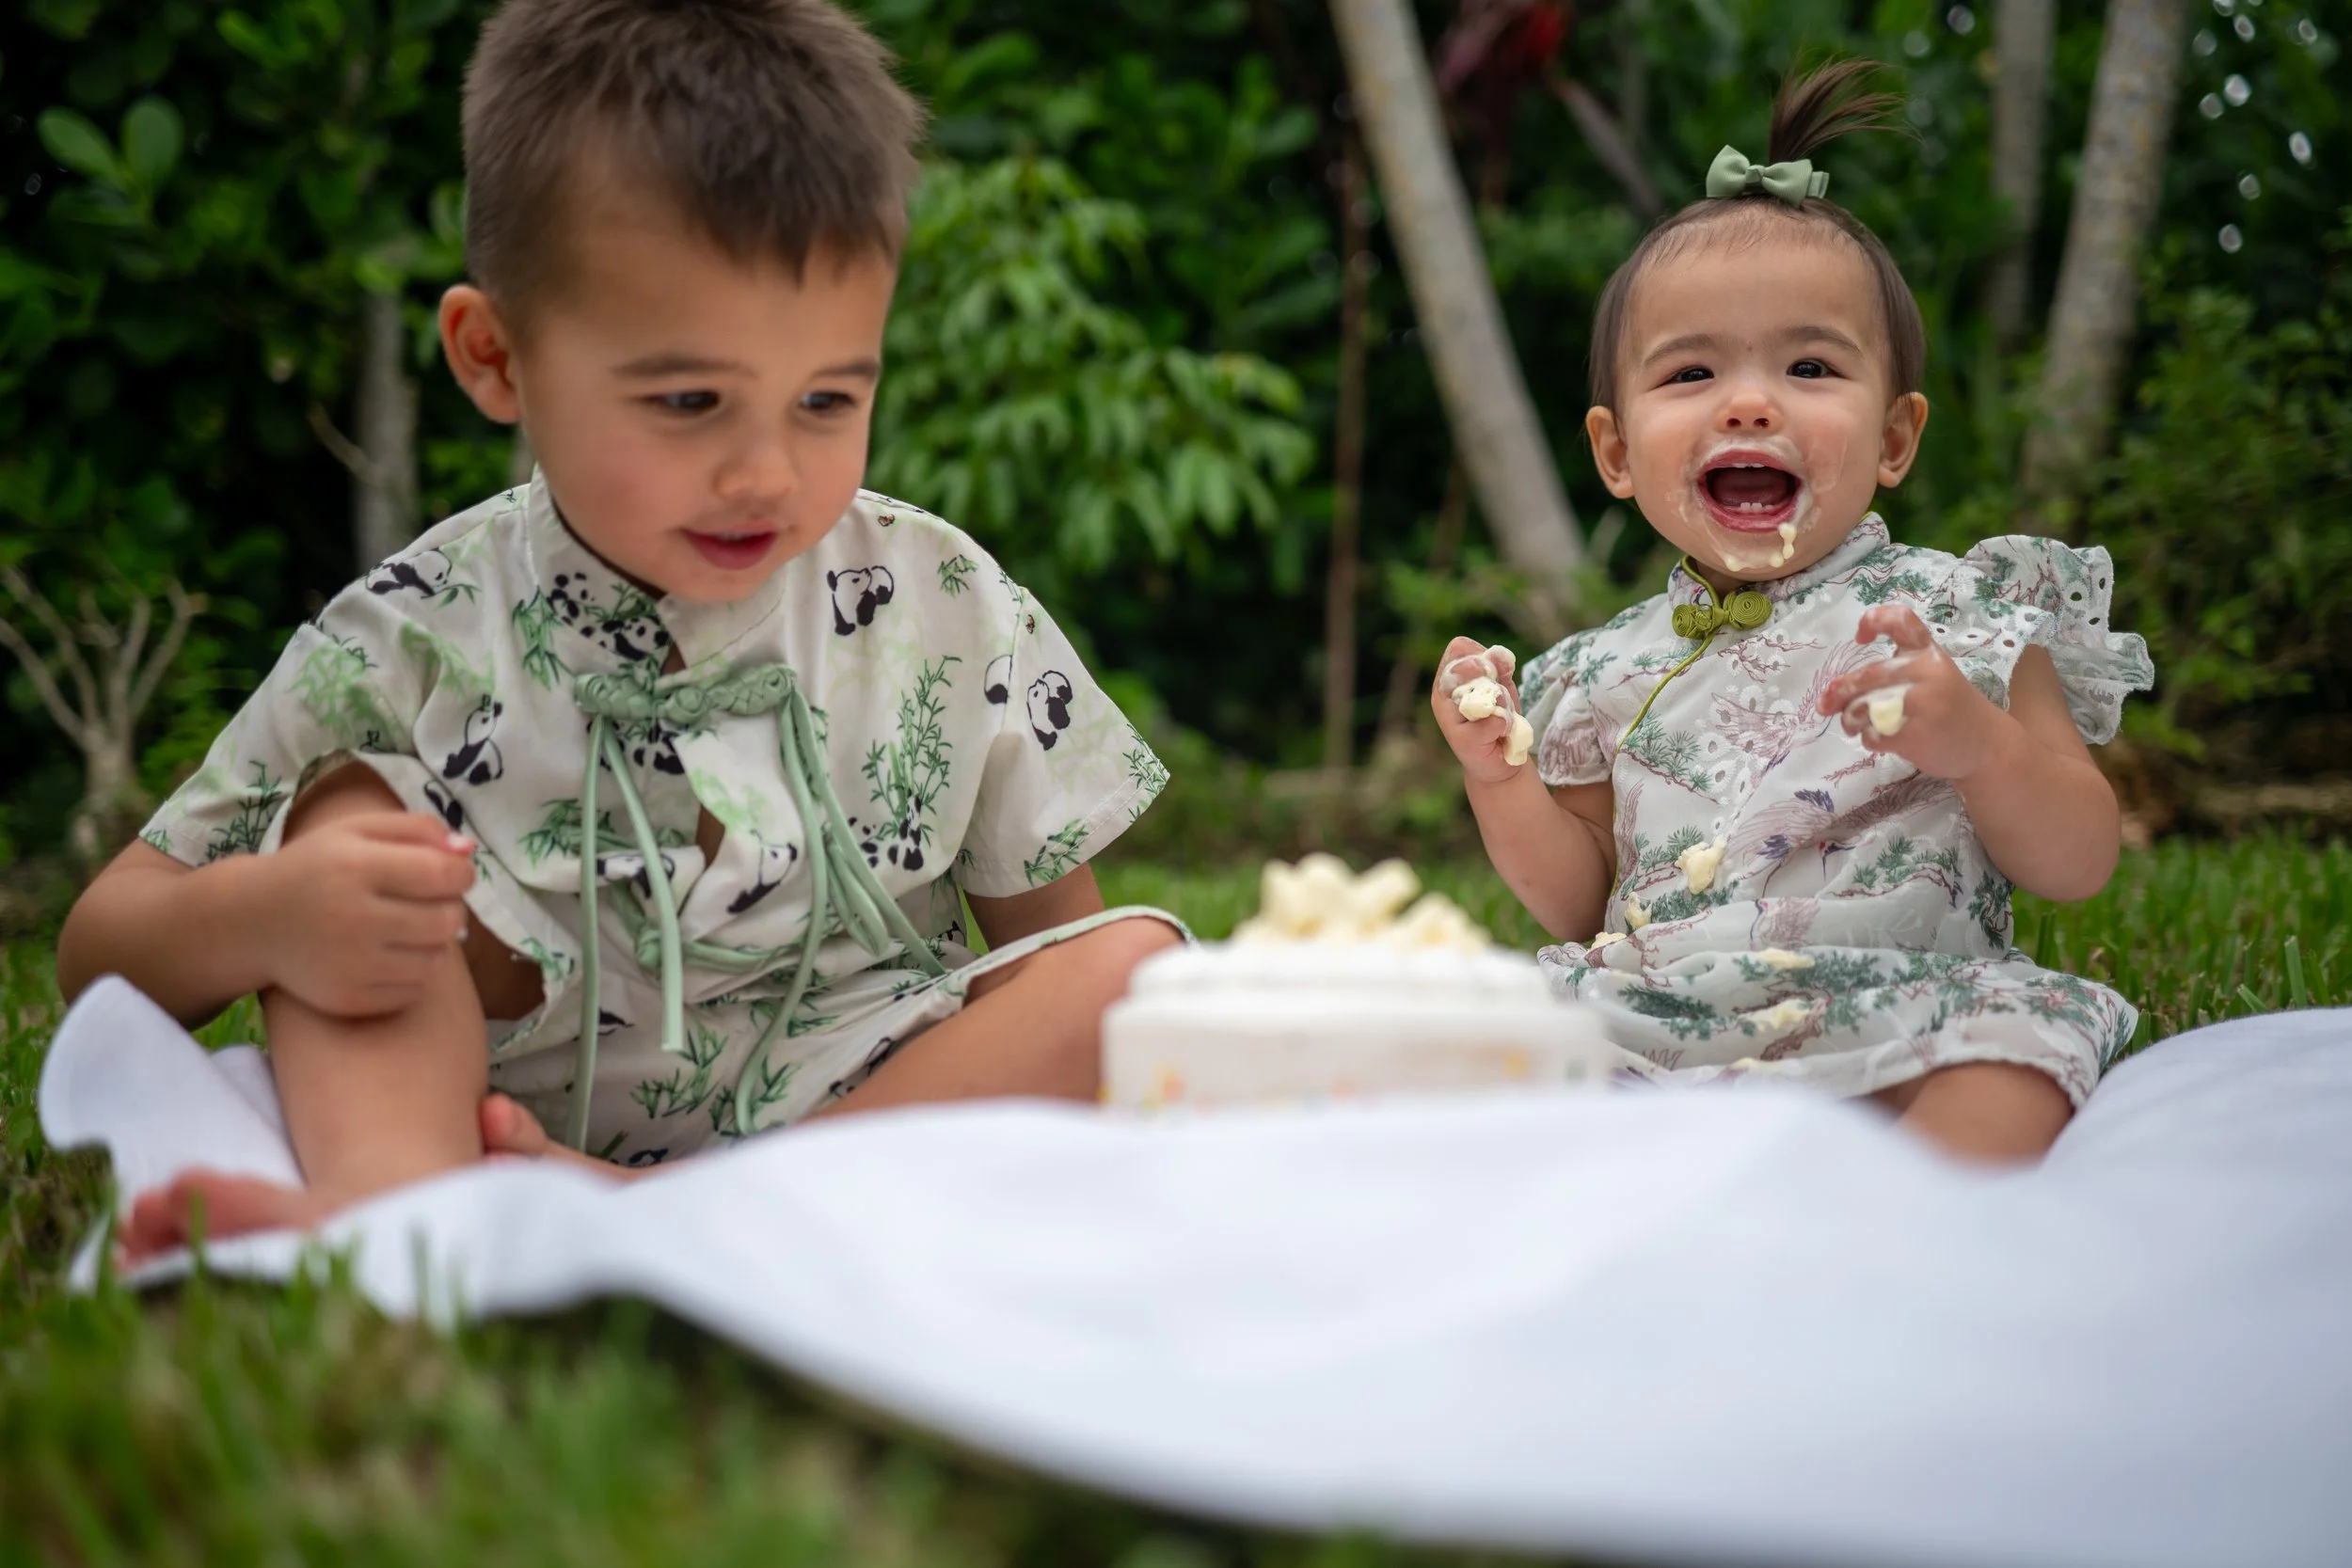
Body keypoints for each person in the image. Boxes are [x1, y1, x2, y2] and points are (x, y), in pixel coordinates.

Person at [56, 0, 1183, 1263]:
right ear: (495, 358)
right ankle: (399, 1215)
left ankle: (668, 1220)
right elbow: (98, 945)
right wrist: (267, 916)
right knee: (349, 822)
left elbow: (1056, 960)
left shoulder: (941, 597)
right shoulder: (413, 636)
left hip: (872, 1124)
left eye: (825, 398)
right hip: (495, 1128)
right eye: (690, 400)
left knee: (1138, 964)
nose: (764, 471)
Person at [1431, 61, 2153, 1163]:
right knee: (1480, 1052)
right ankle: (1614, 1218)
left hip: (1905, 1003)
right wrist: (1500, 777)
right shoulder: (1596, 670)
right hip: (1657, 1019)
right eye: (1690, 374)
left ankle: (1921, 1228)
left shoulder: (1963, 615)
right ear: (1616, 453)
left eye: (1810, 365)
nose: (1750, 400)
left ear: (1894, 438)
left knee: (2011, 1057)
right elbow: (1578, 900)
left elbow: (2078, 857)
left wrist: (1978, 742)